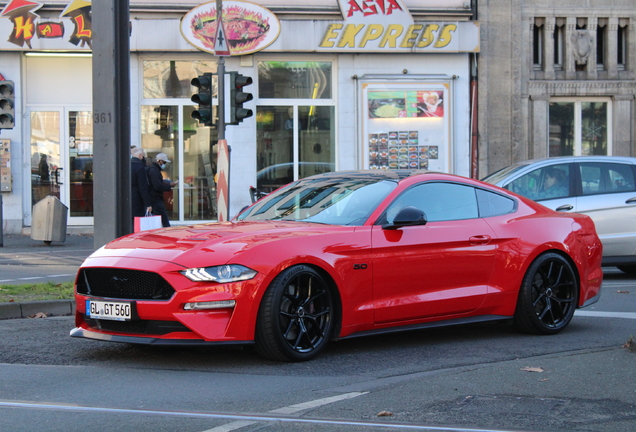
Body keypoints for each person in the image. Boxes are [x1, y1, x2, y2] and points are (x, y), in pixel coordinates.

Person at [147, 152, 176, 227]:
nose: (165, 164)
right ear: (159, 161)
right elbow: (157, 186)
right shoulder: (154, 171)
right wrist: (169, 186)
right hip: (155, 198)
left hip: (153, 198)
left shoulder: (153, 169)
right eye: (164, 162)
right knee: (164, 221)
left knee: (159, 219)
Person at [131, 147, 152, 222]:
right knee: (137, 222)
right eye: (143, 155)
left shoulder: (127, 166)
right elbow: (142, 187)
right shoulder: (140, 167)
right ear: (140, 155)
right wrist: (148, 204)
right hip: (137, 200)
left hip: (127, 199)